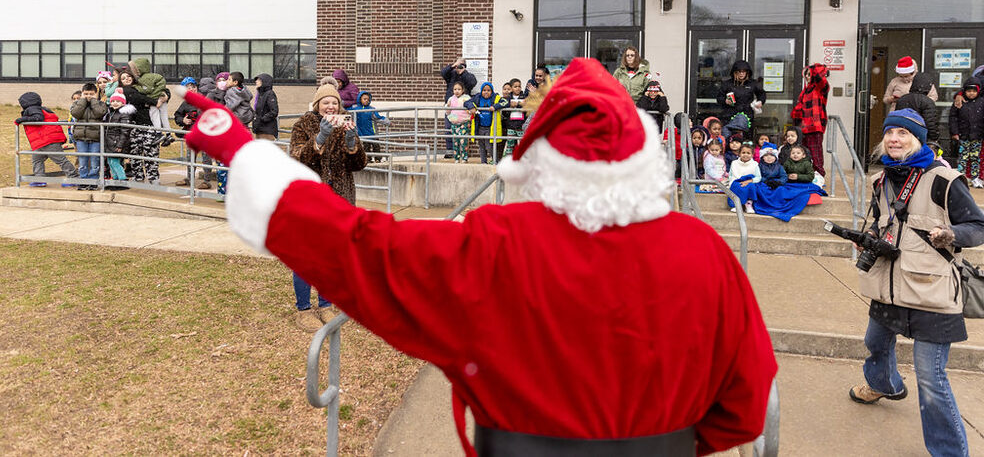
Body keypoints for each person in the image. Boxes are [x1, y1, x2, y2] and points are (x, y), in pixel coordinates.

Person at [176, 57, 778, 456]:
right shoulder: (707, 256)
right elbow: (746, 411)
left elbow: (355, 246)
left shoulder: (493, 245)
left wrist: (237, 145)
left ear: (538, 165)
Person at [849, 108, 984, 457]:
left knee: (931, 379)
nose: (894, 139)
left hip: (932, 289)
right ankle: (886, 385)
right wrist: (868, 237)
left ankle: (950, 453)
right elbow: (883, 221)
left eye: (903, 134)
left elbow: (978, 227)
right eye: (890, 133)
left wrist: (951, 233)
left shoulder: (945, 179)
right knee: (875, 343)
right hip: (890, 283)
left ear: (918, 139)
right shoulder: (881, 179)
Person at [286, 76, 368, 330]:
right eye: (325, 102)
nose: (330, 107)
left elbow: (359, 165)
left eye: (334, 102)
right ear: (317, 104)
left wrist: (353, 144)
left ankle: (326, 305)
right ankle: (303, 309)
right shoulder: (303, 124)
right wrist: (319, 139)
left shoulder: (346, 124)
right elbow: (297, 158)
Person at [15, 91, 79, 187]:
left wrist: (21, 119)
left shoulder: (32, 109)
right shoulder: (43, 109)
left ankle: (73, 177)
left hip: (48, 140)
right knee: (37, 160)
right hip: (41, 141)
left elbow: (38, 118)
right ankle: (39, 178)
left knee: (60, 159)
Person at [119, 69, 160, 184]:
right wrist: (153, 101)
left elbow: (160, 89)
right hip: (133, 126)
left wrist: (165, 95)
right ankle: (138, 177)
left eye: (128, 76)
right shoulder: (124, 91)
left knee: (150, 152)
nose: (126, 79)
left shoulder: (141, 87)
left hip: (147, 125)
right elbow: (137, 97)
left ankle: (153, 177)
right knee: (135, 153)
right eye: (123, 78)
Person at [791, 63, 830, 179]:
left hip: (815, 126)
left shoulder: (820, 88)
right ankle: (806, 175)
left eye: (809, 74)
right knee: (804, 153)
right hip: (803, 127)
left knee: (816, 153)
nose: (807, 77)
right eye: (806, 75)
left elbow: (820, 79)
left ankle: (819, 177)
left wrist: (814, 68)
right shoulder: (805, 90)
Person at [69, 82, 108, 190]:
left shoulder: (100, 104)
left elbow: (100, 113)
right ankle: (83, 181)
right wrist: (82, 101)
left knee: (95, 161)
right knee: (82, 161)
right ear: (82, 94)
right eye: (86, 94)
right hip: (81, 137)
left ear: (96, 94)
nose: (88, 96)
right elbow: (75, 113)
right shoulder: (77, 104)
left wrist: (94, 102)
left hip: (95, 138)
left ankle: (93, 181)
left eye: (91, 94)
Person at [173, 77, 210, 189]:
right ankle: (189, 178)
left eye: (193, 87)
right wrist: (183, 120)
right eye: (188, 88)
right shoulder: (185, 104)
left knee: (206, 158)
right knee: (190, 157)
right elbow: (177, 116)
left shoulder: (205, 99)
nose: (191, 90)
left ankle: (206, 180)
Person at [128, 57, 172, 146]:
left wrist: (163, 96)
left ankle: (159, 133)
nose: (127, 79)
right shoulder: (152, 77)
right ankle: (168, 134)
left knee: (155, 115)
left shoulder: (141, 81)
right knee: (163, 117)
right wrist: (158, 97)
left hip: (148, 123)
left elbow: (146, 90)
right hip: (140, 122)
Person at [716, 60, 766, 137]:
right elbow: (719, 97)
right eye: (739, 71)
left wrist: (760, 101)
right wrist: (725, 101)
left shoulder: (752, 83)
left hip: (747, 115)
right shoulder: (727, 84)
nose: (741, 74)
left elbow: (762, 94)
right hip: (729, 116)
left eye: (744, 71)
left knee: (745, 139)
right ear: (734, 72)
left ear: (747, 72)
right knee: (729, 137)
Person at [949, 77, 984, 188]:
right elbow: (953, 117)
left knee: (975, 158)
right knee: (962, 158)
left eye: (974, 91)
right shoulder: (960, 101)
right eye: (969, 91)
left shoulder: (981, 102)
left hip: (977, 136)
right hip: (963, 135)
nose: (971, 94)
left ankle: (975, 178)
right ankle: (961, 177)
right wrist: (954, 132)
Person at [441, 57, 478, 159]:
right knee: (449, 129)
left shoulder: (468, 75)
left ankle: (463, 152)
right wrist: (453, 66)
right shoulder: (451, 74)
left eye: (461, 65)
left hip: (463, 110)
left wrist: (463, 72)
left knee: (463, 131)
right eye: (458, 65)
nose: (458, 67)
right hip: (452, 109)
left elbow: (472, 83)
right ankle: (450, 150)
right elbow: (443, 73)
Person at [465, 81, 504, 165]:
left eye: (488, 90)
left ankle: (496, 162)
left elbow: (505, 102)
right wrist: (471, 107)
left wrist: (495, 106)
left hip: (490, 127)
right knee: (481, 146)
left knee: (489, 146)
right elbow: (466, 102)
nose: (486, 92)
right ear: (481, 91)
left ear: (492, 91)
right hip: (480, 127)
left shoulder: (495, 97)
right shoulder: (477, 97)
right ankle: (483, 162)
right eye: (484, 90)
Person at [897, 72, 940, 145]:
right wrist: (934, 138)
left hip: (903, 136)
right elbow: (930, 123)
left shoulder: (902, 99)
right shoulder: (927, 102)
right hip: (920, 138)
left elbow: (897, 119)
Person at [103, 91, 134, 190]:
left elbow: (125, 131)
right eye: (113, 101)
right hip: (110, 142)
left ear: (123, 103)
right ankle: (115, 180)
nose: (115, 103)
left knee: (115, 162)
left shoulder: (123, 114)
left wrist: (120, 145)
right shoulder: (111, 113)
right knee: (110, 162)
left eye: (118, 101)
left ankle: (122, 180)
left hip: (117, 142)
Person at [349, 90, 388, 157]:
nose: (366, 100)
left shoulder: (371, 109)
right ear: (360, 99)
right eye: (364, 99)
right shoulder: (355, 109)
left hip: (372, 131)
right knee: (366, 147)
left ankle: (378, 158)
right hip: (362, 132)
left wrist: (388, 122)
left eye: (368, 99)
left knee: (376, 146)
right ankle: (368, 159)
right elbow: (348, 114)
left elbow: (378, 117)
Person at [728, 142, 760, 213]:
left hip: (749, 181)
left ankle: (748, 204)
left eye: (748, 153)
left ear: (752, 155)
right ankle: (736, 205)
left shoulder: (755, 164)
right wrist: (732, 181)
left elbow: (758, 177)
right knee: (736, 186)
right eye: (743, 152)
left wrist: (748, 181)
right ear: (739, 154)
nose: (746, 155)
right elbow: (731, 175)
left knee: (751, 186)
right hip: (737, 181)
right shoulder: (734, 163)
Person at [445, 81, 473, 163]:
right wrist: (448, 107)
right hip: (454, 123)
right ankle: (456, 158)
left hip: (464, 122)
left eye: (459, 89)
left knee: (463, 141)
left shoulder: (466, 98)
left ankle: (464, 157)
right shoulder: (451, 99)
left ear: (463, 90)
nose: (457, 91)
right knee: (455, 142)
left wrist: (469, 112)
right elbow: (447, 112)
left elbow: (471, 108)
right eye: (455, 89)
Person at [500, 79, 527, 158]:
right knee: (510, 143)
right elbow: (504, 110)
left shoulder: (524, 96)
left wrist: (518, 104)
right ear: (511, 88)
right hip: (511, 125)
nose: (518, 88)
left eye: (519, 86)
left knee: (522, 143)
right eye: (515, 87)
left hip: (521, 125)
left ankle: (524, 159)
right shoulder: (508, 98)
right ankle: (508, 159)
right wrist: (510, 106)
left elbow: (526, 107)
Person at [252, 73, 279, 141]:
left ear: (264, 82)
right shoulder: (260, 94)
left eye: (259, 80)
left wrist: (262, 119)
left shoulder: (270, 94)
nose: (256, 81)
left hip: (267, 130)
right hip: (259, 129)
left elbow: (274, 111)